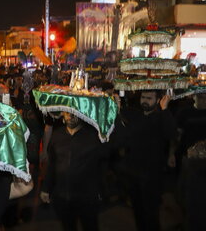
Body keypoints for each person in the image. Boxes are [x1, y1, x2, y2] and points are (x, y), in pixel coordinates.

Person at [117, 90, 177, 231]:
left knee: (151, 213)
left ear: (157, 101)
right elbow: (120, 114)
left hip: (151, 175)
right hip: (133, 173)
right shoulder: (135, 115)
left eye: (149, 98)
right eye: (143, 97)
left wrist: (165, 109)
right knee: (138, 211)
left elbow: (171, 133)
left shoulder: (161, 117)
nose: (145, 100)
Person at [40, 112, 109, 231]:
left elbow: (111, 150)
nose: (70, 117)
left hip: (86, 198)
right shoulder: (57, 135)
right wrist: (46, 188)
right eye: (67, 113)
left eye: (74, 114)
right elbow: (52, 165)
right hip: (62, 197)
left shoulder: (93, 136)